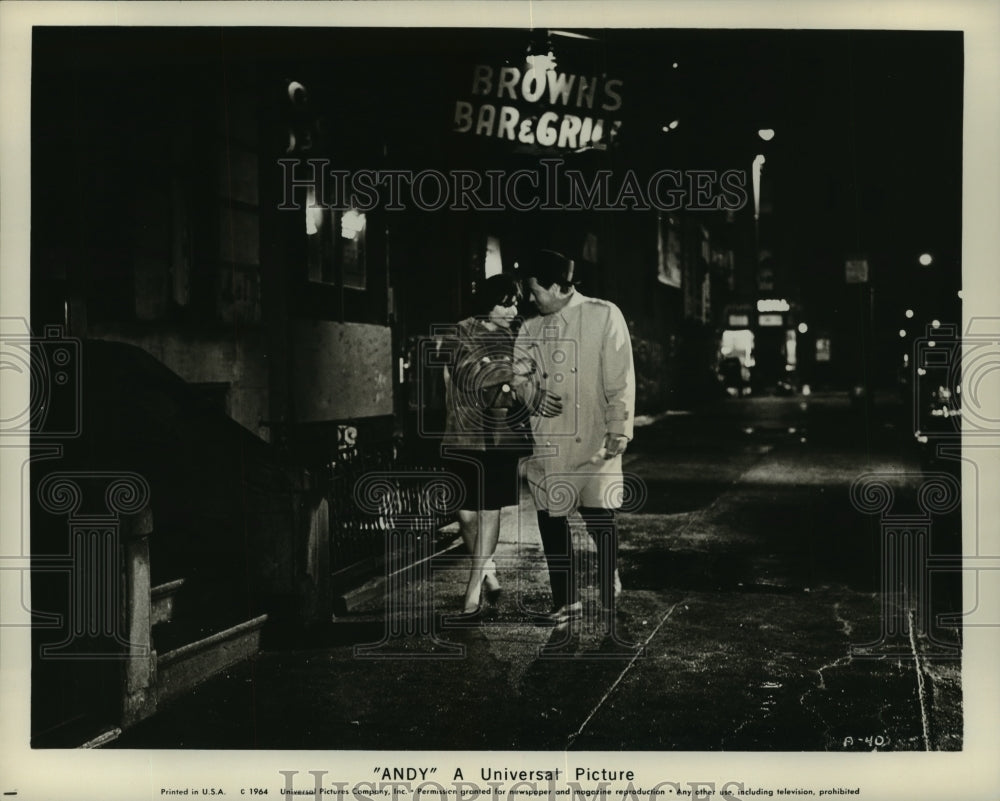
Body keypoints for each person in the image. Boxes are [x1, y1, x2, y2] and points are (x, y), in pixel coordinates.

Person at [514, 249, 636, 629]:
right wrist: (530, 394)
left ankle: (609, 572)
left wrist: (619, 427)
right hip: (549, 438)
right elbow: (517, 374)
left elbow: (621, 376)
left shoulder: (602, 314)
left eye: (535, 291)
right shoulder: (531, 328)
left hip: (594, 434)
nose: (531, 299)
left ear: (555, 285)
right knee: (552, 518)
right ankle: (566, 601)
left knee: (598, 514)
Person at [438, 273, 534, 616]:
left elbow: (526, 375)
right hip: (462, 434)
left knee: (489, 509)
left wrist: (507, 374)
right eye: (506, 303)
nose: (513, 310)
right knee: (465, 513)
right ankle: (487, 564)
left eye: (515, 303)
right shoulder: (460, 331)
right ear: (487, 304)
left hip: (498, 437)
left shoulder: (517, 337)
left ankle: (474, 586)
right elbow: (458, 375)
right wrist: (504, 373)